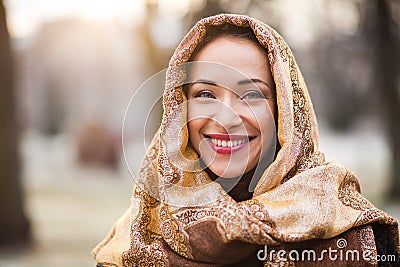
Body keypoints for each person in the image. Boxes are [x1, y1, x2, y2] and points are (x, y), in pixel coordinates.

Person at [92, 14, 399, 266]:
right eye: (206, 94)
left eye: (252, 94)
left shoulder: (350, 230)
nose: (226, 119)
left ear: (284, 114)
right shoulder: (141, 233)